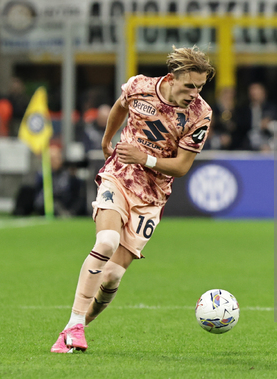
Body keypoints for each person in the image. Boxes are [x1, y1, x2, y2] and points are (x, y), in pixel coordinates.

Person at [51, 46, 215, 353]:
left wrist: (145, 158)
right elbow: (120, 106)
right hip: (119, 176)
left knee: (112, 276)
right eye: (189, 85)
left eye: (200, 87)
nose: (194, 93)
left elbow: (181, 167)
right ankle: (74, 325)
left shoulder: (200, 115)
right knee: (106, 242)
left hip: (152, 197)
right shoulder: (140, 86)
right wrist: (107, 138)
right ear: (171, 78)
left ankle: (73, 330)